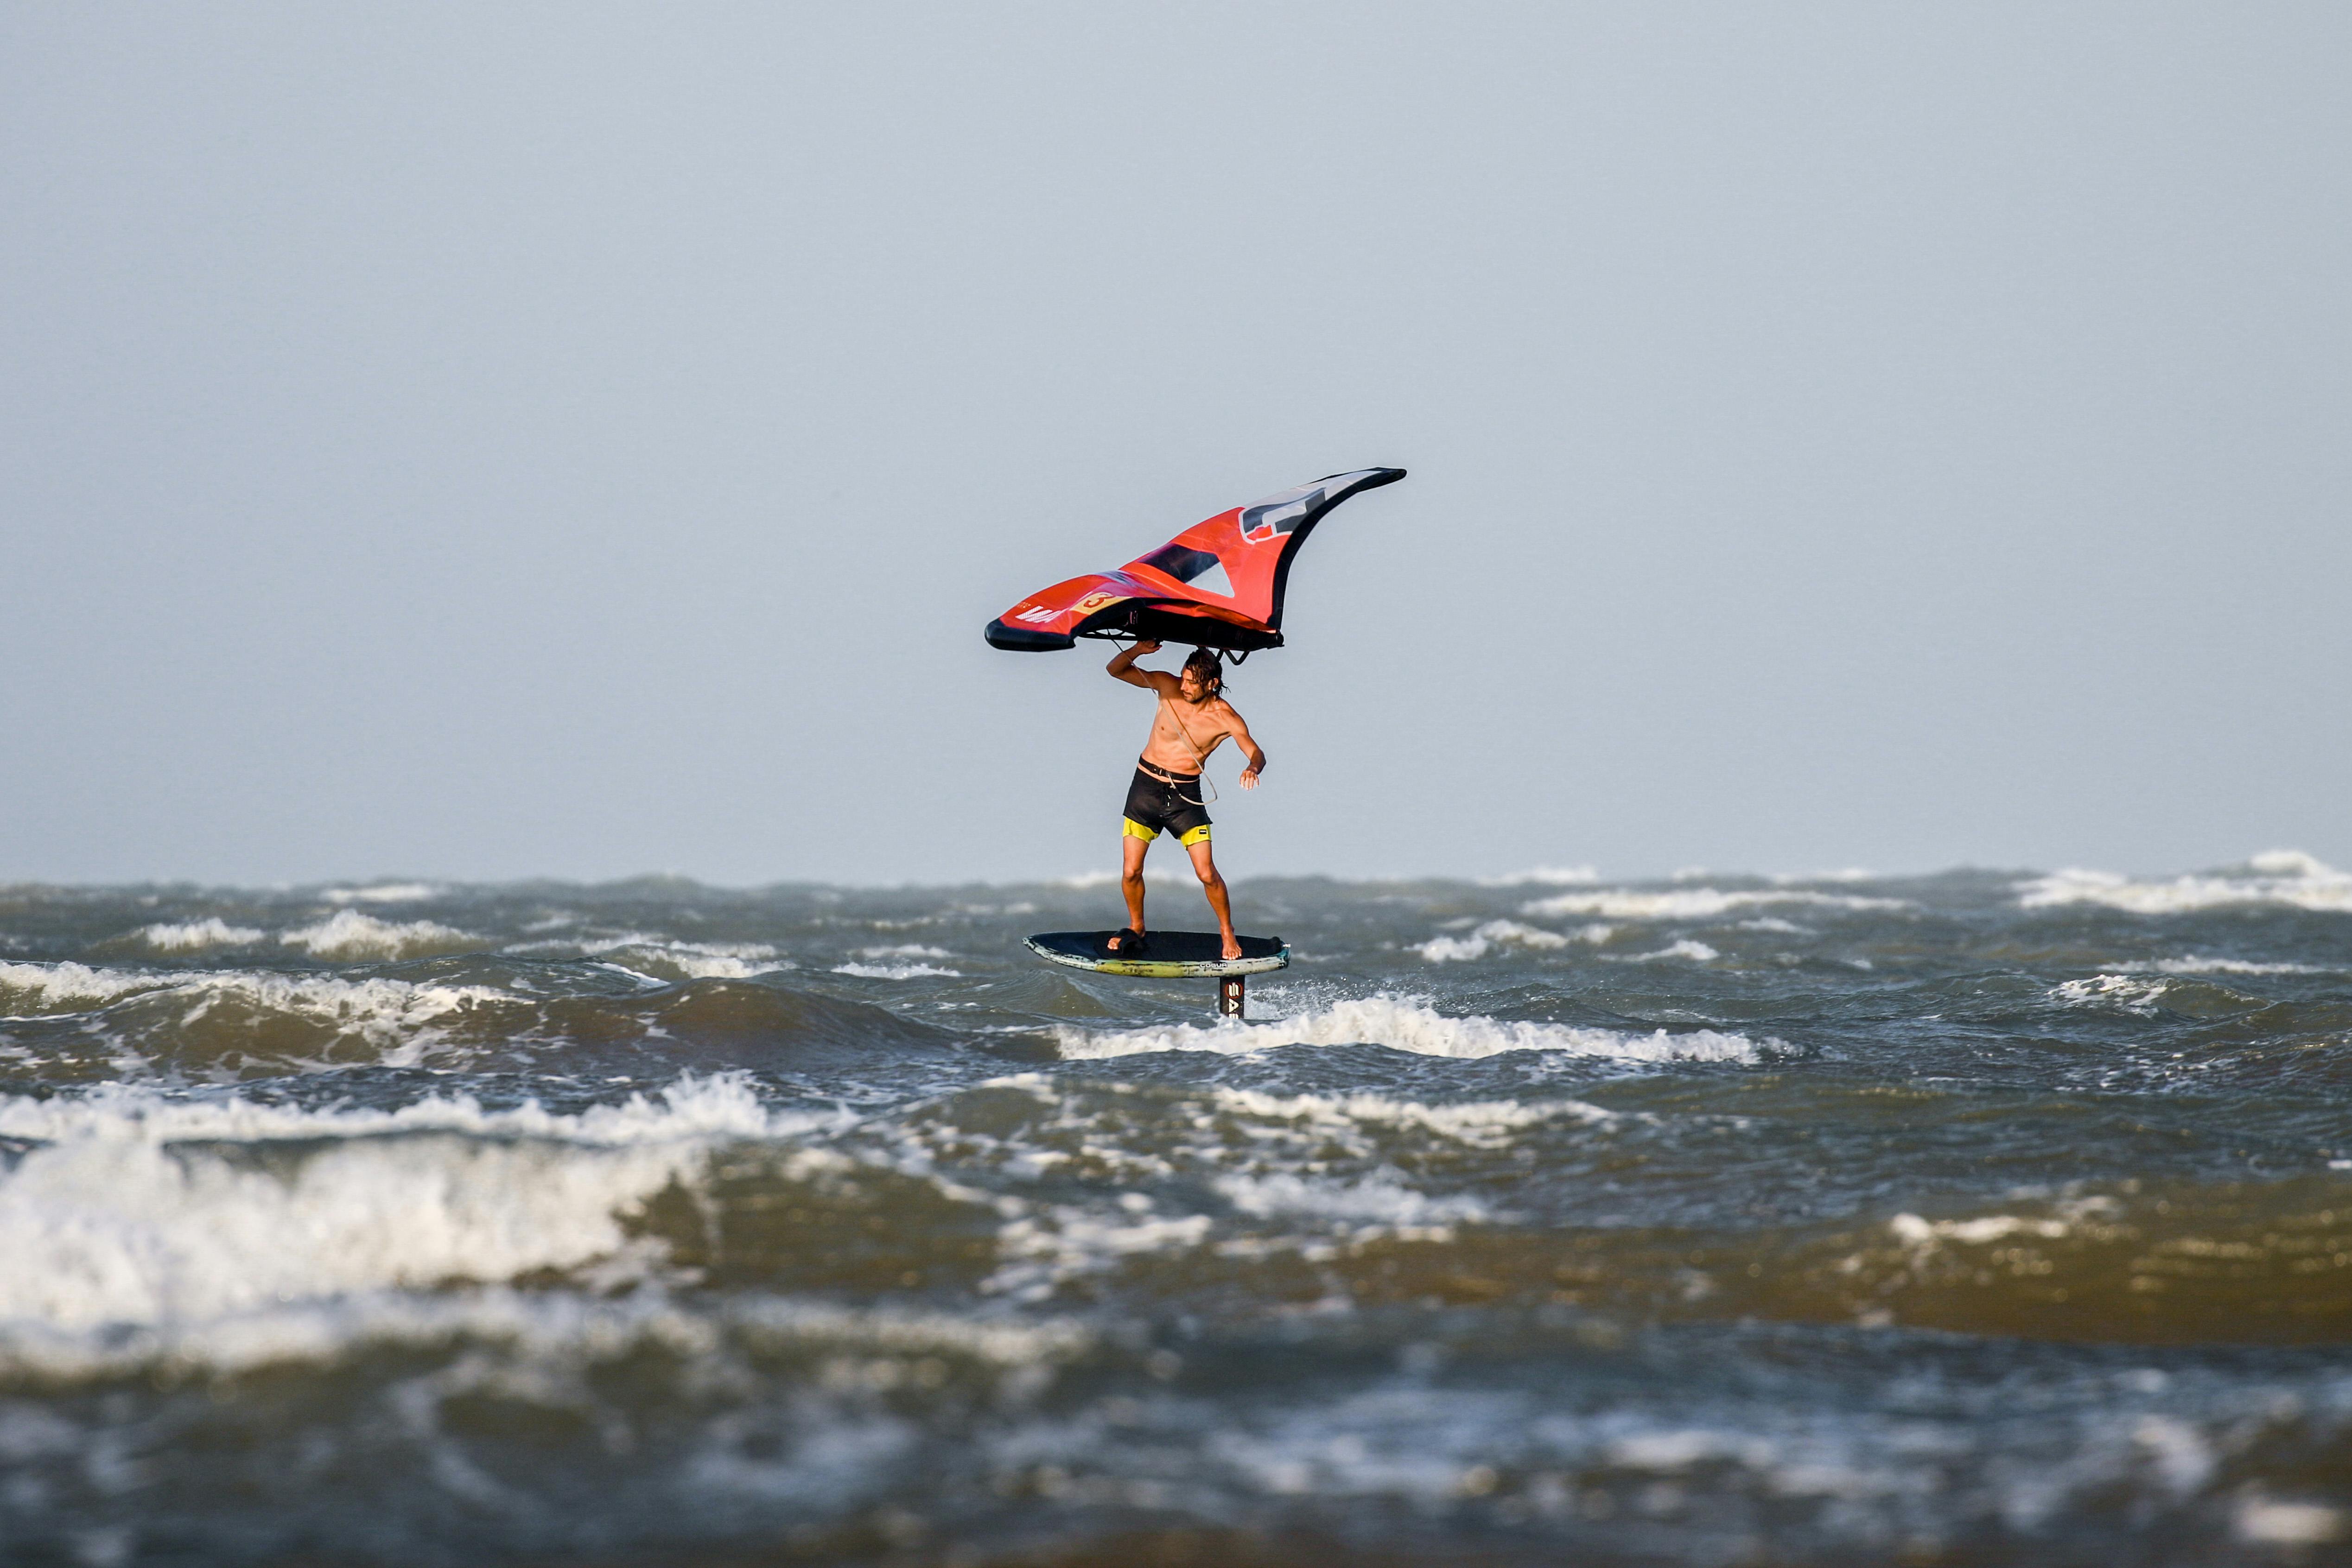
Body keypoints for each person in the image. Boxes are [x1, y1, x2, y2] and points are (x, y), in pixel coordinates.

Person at [1104, 640, 1265, 960]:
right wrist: (1138, 649)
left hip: (1186, 797)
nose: (1185, 686)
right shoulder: (1167, 686)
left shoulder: (1226, 717)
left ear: (1212, 683)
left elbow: (1255, 750)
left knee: (1206, 872)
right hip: (1145, 789)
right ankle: (1137, 926)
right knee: (1131, 870)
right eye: (1184, 678)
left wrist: (1252, 767)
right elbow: (1115, 670)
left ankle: (1226, 931)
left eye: (1193, 682)